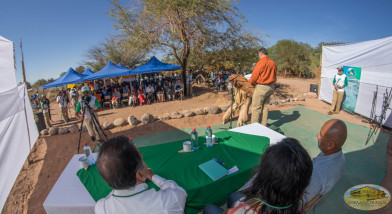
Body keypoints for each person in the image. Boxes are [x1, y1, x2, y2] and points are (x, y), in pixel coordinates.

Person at [203, 138, 312, 214]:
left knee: (209, 208)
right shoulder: (295, 205)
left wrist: (235, 208)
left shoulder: (243, 211)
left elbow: (229, 212)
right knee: (234, 196)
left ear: (262, 180)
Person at [95, 136, 187, 214]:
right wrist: (153, 176)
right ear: (140, 174)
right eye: (142, 161)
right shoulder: (166, 203)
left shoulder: (101, 208)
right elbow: (179, 192)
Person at [303, 119, 347, 204]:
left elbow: (299, 203)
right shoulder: (340, 156)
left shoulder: (316, 176)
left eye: (321, 135)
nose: (317, 136)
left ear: (330, 145)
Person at [248, 47, 277, 126]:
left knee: (255, 107)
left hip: (262, 87)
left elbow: (254, 76)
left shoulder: (261, 62)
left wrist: (250, 82)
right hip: (271, 87)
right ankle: (264, 125)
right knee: (265, 107)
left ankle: (255, 127)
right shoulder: (273, 63)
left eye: (258, 55)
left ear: (260, 54)